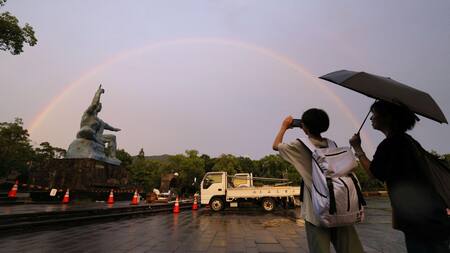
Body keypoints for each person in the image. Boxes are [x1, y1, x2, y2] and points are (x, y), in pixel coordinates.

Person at [349, 100, 449, 253]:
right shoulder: (408, 141)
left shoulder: (390, 144)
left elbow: (374, 173)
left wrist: (358, 148)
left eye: (374, 114)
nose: (371, 118)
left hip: (419, 219)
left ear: (387, 117)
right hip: (430, 214)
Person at [273, 108, 364, 253]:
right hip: (340, 206)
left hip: (316, 211)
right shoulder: (332, 144)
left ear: (304, 127)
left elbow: (276, 145)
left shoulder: (299, 145)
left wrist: (284, 126)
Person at [76, 85, 121, 158]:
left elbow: (109, 127)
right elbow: (94, 104)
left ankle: (112, 157)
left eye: (100, 106)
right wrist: (98, 93)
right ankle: (96, 142)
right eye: (99, 105)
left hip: (96, 136)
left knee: (112, 137)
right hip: (85, 132)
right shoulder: (88, 113)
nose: (99, 107)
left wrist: (115, 129)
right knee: (88, 130)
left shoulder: (100, 121)